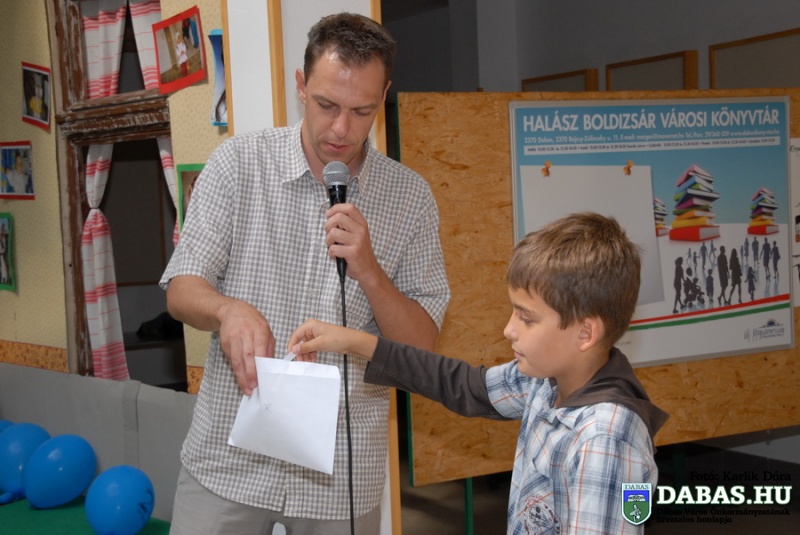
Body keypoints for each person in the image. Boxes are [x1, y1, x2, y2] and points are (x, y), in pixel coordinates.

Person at [159, 13, 450, 535]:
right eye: (326, 105)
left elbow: (421, 348)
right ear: (300, 85)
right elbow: (182, 290)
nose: (341, 129)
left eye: (361, 111)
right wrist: (227, 310)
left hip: (342, 476)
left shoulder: (410, 198)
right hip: (228, 460)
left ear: (383, 98)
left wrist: (369, 271)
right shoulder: (238, 163)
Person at [289, 212, 669, 534]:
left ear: (585, 333)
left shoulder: (604, 440)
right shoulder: (546, 381)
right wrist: (359, 343)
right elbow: (465, 386)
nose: (509, 330)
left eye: (526, 318)